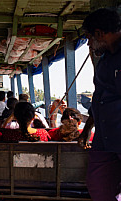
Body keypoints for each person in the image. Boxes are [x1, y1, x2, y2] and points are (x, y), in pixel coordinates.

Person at [78, 8, 121, 201]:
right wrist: (87, 129)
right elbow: (98, 99)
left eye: (89, 37)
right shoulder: (104, 62)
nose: (88, 43)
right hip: (104, 139)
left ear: (99, 33)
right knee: (98, 185)